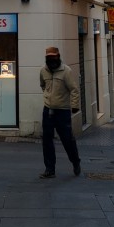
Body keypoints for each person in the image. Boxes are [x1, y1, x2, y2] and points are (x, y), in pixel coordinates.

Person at [38, 45, 81, 178]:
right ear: (46, 58)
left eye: (54, 57)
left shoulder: (66, 71)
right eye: (49, 58)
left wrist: (74, 105)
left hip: (62, 111)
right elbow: (43, 85)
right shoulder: (43, 71)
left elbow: (74, 89)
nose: (52, 60)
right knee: (47, 140)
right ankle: (50, 169)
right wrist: (48, 96)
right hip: (48, 110)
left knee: (67, 139)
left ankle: (75, 161)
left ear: (58, 57)